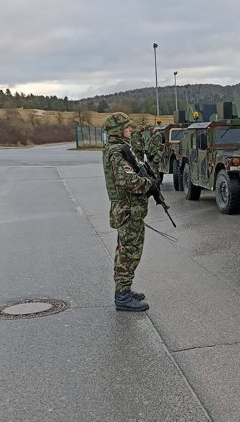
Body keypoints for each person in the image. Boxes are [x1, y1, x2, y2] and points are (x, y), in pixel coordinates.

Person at [102, 112, 159, 312]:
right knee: (129, 253)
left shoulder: (119, 149)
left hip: (129, 210)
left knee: (127, 251)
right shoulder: (116, 152)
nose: (131, 129)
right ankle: (123, 296)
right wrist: (148, 184)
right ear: (118, 130)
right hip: (127, 211)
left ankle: (124, 289)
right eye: (127, 127)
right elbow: (125, 180)